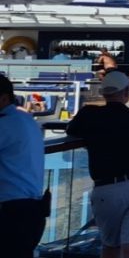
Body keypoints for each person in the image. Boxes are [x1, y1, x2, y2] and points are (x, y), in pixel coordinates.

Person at [67, 70, 129, 258]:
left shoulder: (88, 115)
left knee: (111, 245)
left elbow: (72, 130)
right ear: (126, 92)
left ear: (104, 93)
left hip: (106, 188)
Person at [0, 75, 47, 258]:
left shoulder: (5, 123)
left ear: (3, 98)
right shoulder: (26, 119)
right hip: (32, 210)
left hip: (12, 213)